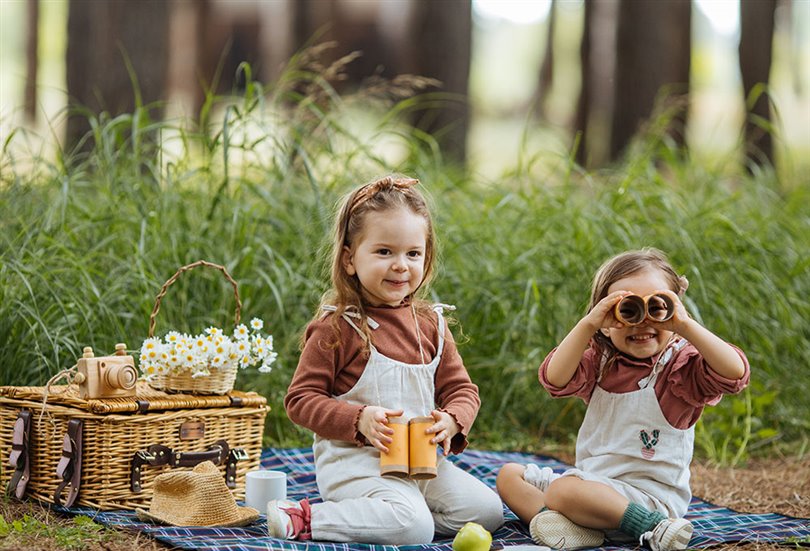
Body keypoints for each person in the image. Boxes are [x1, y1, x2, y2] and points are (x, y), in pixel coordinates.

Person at [270, 175, 504, 543]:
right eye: (384, 252)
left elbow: (462, 390)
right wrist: (358, 418)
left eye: (413, 253)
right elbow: (300, 401)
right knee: (415, 526)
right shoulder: (338, 327)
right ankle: (307, 517)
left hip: (421, 464)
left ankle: (394, 518)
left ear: (426, 258)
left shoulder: (431, 325)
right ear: (350, 259)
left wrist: (453, 420)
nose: (400, 265)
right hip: (357, 465)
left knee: (486, 511)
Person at [497, 248, 749, 551]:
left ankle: (653, 529)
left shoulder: (679, 368)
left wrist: (684, 326)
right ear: (607, 319)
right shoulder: (600, 362)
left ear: (675, 308)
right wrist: (587, 325)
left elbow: (735, 372)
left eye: (656, 307)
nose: (641, 322)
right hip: (590, 488)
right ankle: (566, 528)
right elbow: (554, 378)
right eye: (626, 310)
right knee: (509, 475)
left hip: (650, 500)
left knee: (564, 490)